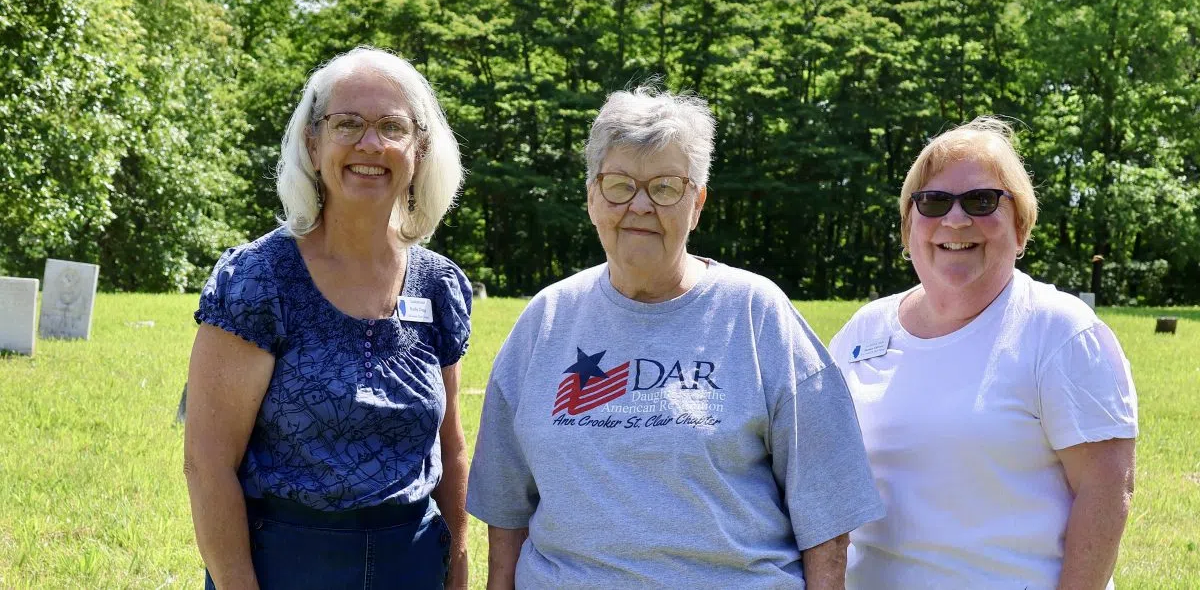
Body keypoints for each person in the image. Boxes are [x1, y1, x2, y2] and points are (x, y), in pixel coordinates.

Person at [466, 86, 884, 589]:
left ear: (698, 202)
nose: (640, 205)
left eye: (665, 187)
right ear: (592, 195)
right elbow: (505, 513)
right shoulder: (546, 320)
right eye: (620, 184)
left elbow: (828, 516)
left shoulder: (756, 314)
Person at [184, 46, 471, 589]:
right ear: (312, 144)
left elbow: (450, 450)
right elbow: (207, 463)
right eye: (348, 124)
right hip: (285, 564)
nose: (371, 144)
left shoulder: (440, 284)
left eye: (392, 126)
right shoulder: (260, 279)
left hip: (410, 564)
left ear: (420, 149)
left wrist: (457, 573)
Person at [829, 117, 1138, 590]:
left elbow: (1104, 494)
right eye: (932, 202)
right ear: (909, 224)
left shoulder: (1061, 332)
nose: (955, 220)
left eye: (981, 200)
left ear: (1019, 225)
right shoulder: (864, 330)